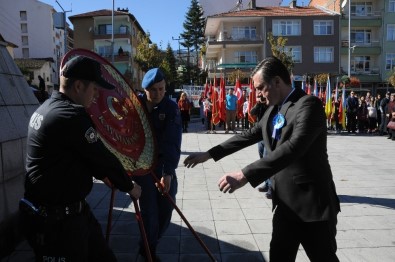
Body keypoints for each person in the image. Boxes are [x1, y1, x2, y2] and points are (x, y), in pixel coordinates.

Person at [184, 56, 340, 262]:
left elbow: (293, 148)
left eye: (260, 88)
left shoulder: (308, 105)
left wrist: (244, 175)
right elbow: (248, 135)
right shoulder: (273, 110)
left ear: (277, 82)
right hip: (285, 206)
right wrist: (210, 154)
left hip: (313, 208)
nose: (257, 94)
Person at [19, 55, 142, 261]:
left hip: (71, 215)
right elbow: (102, 157)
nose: (96, 95)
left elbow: (78, 155)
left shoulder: (46, 109)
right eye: (94, 89)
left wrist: (103, 175)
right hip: (58, 225)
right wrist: (129, 186)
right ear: (78, 86)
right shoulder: (71, 116)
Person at [133, 68, 182, 261]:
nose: (158, 94)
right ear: (145, 89)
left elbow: (172, 140)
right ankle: (148, 250)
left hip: (163, 164)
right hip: (142, 166)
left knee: (166, 208)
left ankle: (150, 242)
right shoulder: (135, 105)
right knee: (149, 212)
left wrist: (168, 172)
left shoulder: (171, 107)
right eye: (153, 90)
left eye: (161, 89)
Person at [249, 95, 271, 198]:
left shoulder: (271, 104)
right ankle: (266, 184)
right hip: (260, 136)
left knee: (268, 161)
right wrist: (258, 103)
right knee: (262, 160)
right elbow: (252, 113)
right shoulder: (260, 105)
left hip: (269, 135)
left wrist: (267, 103)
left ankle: (272, 188)